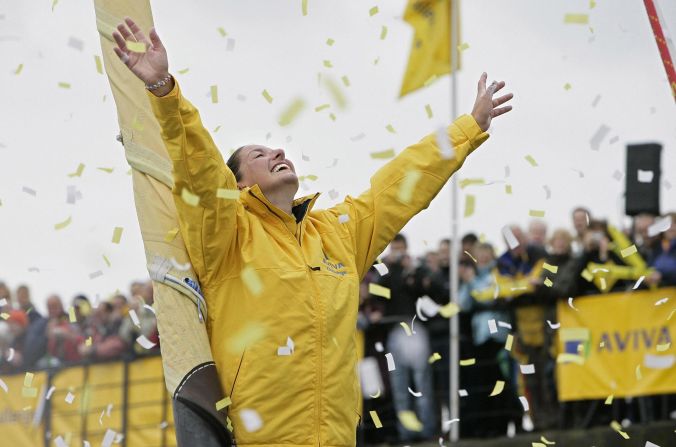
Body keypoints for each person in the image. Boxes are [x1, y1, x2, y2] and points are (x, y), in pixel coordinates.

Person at [112, 16, 512, 445]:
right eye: (259, 154)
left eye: (276, 148)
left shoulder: (337, 232)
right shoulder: (226, 235)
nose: (277, 151)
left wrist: (469, 128)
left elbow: (398, 187)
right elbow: (202, 170)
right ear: (240, 183)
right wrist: (164, 90)